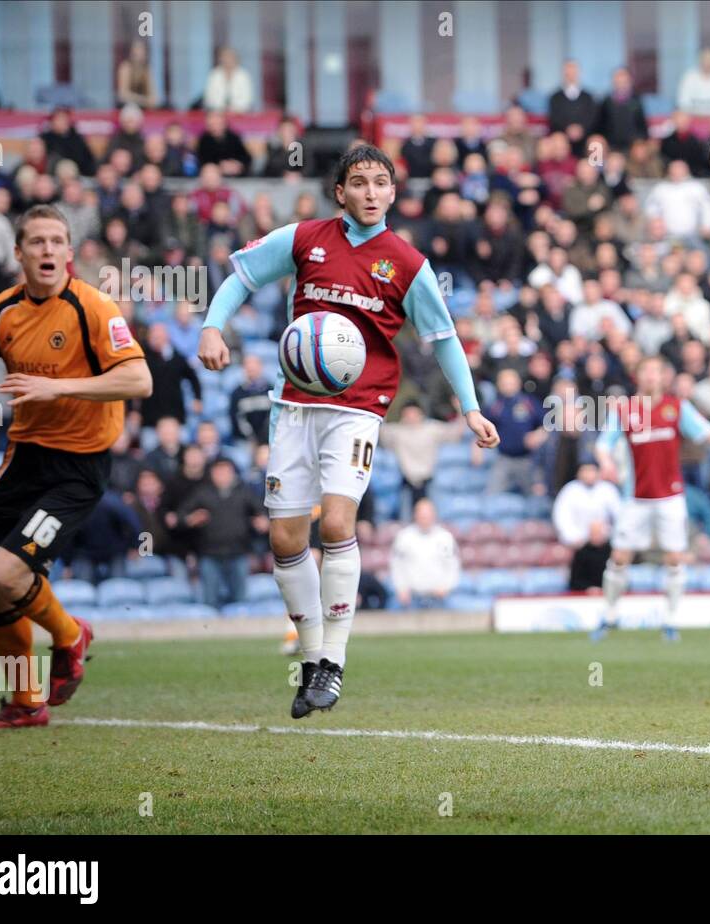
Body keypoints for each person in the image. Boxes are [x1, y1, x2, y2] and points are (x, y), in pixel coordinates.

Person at [198, 145, 499, 720]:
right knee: (286, 540)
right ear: (340, 192)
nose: (368, 191)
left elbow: (442, 339)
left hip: (360, 407)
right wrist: (214, 327)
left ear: (391, 193)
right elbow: (240, 275)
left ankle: (333, 662)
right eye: (357, 182)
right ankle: (310, 661)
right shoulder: (304, 237)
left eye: (379, 182)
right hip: (293, 404)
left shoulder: (407, 264)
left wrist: (470, 408)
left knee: (336, 522)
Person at [0, 205, 152, 730]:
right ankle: (25, 703)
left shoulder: (93, 307)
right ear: (18, 253)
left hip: (77, 469)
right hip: (23, 458)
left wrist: (58, 386)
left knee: (5, 573)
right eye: (35, 242)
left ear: (69, 252)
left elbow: (138, 381)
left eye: (55, 241)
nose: (46, 250)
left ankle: (68, 635)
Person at [592, 355, 710, 641]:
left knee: (674, 559)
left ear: (663, 377)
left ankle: (670, 621)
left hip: (670, 496)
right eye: (645, 371)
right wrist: (606, 463)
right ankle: (609, 615)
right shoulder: (624, 411)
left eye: (656, 371)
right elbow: (602, 445)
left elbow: (708, 433)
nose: (650, 376)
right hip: (635, 497)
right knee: (619, 556)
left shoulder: (676, 407)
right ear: (638, 376)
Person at [179, 458, 268, 609]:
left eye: (225, 471)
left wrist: (262, 521)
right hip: (209, 554)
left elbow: (261, 512)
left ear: (233, 473)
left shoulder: (244, 492)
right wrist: (191, 519)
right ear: (212, 473)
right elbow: (181, 516)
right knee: (210, 600)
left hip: (238, 553)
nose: (222, 475)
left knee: (240, 601)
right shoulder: (202, 493)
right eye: (218, 472)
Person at [553, 460, 621, 591]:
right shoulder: (570, 490)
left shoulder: (608, 489)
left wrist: (609, 535)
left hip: (605, 542)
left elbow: (619, 517)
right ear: (578, 473)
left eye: (592, 470)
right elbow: (561, 517)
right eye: (585, 471)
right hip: (578, 543)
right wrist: (574, 538)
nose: (589, 474)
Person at [390, 498, 460, 607]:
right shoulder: (404, 537)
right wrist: (401, 588)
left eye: (427, 515)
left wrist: (447, 587)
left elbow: (453, 565)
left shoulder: (445, 538)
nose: (425, 519)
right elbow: (397, 565)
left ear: (434, 515)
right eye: (422, 515)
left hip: (439, 597)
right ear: (415, 515)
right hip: (412, 598)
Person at [203, 46, 254, 113]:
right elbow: (209, 98)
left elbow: (247, 99)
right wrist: (221, 109)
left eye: (230, 57)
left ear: (236, 59)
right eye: (225, 57)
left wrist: (235, 109)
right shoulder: (214, 75)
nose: (227, 60)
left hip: (240, 113)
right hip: (218, 114)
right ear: (220, 59)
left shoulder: (244, 75)